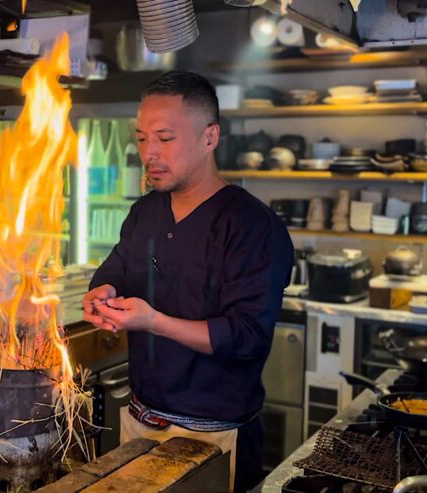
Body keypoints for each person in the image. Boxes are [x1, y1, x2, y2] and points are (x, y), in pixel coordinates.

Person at [82, 71, 294, 492]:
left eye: (165, 137)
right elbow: (117, 270)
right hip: (140, 428)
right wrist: (101, 292)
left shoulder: (251, 225)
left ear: (210, 137)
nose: (149, 153)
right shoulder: (146, 211)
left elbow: (247, 335)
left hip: (213, 439)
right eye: (142, 138)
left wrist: (153, 322)